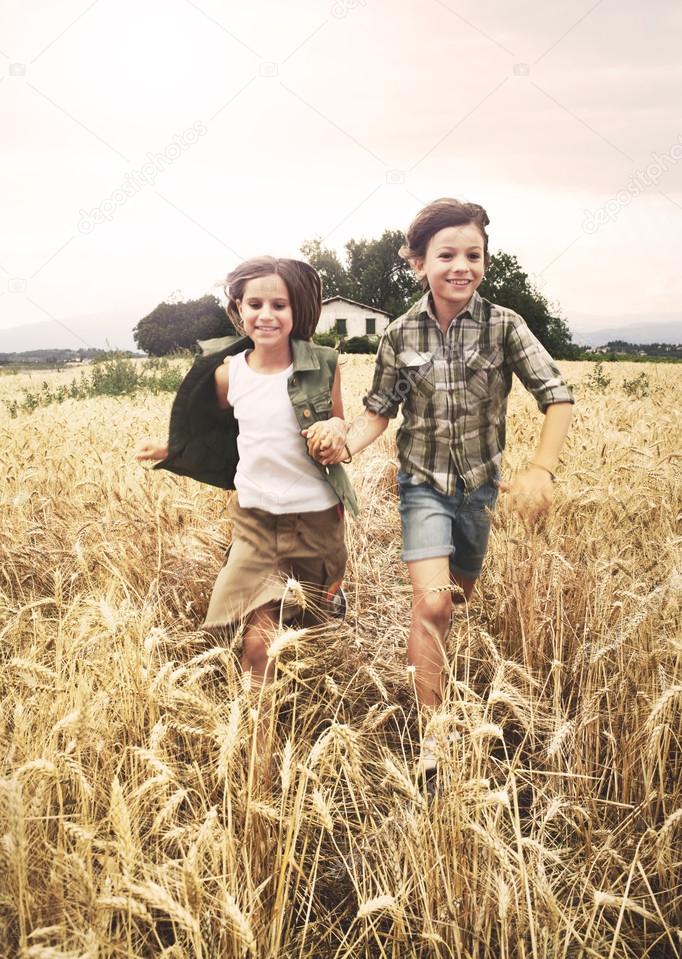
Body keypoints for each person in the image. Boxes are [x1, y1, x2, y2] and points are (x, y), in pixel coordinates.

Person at [305, 198, 574, 772]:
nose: (461, 266)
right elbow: (379, 411)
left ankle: (445, 661)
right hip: (422, 486)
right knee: (432, 605)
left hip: (481, 490)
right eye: (446, 254)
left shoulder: (506, 326)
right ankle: (434, 739)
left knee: (458, 599)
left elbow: (556, 393)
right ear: (417, 262)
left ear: (484, 260)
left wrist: (539, 469)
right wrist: (344, 445)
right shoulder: (399, 334)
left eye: (473, 254)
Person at [136, 257, 357, 745]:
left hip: (316, 517)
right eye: (254, 304)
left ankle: (326, 594)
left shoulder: (324, 364)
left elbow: (342, 424)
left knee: (310, 619)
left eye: (279, 304)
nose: (266, 315)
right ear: (239, 309)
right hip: (255, 523)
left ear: (297, 310)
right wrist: (175, 448)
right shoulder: (227, 374)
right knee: (257, 640)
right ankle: (258, 749)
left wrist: (335, 431)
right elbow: (210, 429)